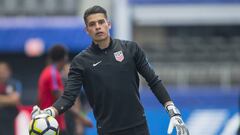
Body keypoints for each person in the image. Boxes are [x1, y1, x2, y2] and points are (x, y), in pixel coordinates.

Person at [32, 6, 189, 135]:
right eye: (92, 24)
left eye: (101, 22)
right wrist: (50, 112)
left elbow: (153, 81)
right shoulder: (80, 62)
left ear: (109, 24)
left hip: (139, 128)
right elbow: (69, 97)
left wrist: (172, 110)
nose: (98, 26)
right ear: (87, 30)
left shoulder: (131, 49)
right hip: (108, 131)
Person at [36, 45, 92, 135]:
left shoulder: (49, 72)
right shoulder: (52, 74)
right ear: (65, 58)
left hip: (50, 122)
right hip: (51, 124)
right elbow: (64, 101)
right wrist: (82, 118)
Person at [0, 62, 22, 135]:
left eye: (4, 70)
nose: (2, 72)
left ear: (9, 71)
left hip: (12, 119)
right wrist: (8, 99)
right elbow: (11, 99)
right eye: (0, 70)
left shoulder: (14, 83)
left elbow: (15, 100)